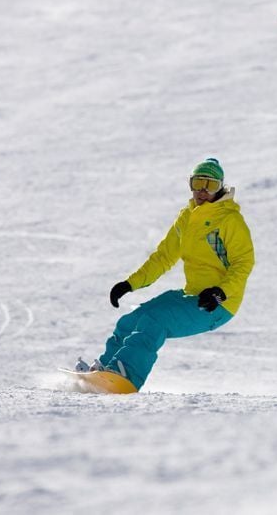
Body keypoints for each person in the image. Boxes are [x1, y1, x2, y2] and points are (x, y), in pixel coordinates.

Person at [75, 157, 255, 391]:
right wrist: (130, 284)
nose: (201, 191)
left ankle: (127, 374)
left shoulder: (229, 220)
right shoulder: (187, 218)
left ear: (220, 187)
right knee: (132, 320)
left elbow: (244, 262)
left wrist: (220, 293)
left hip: (218, 304)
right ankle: (105, 370)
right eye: (197, 182)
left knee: (155, 321)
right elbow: (163, 257)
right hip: (192, 295)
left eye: (209, 185)